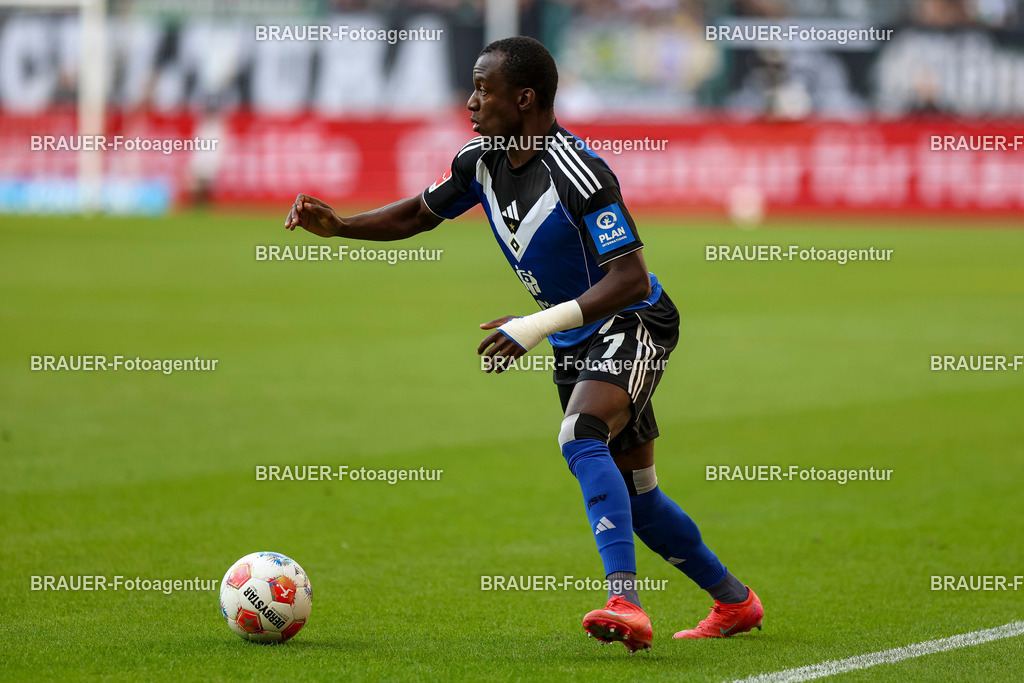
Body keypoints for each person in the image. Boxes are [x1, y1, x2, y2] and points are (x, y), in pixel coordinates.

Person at [284, 35, 763, 653]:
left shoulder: (579, 171)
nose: (471, 101)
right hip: (574, 334)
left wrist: (534, 325)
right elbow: (418, 216)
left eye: (484, 88)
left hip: (634, 320)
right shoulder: (479, 161)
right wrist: (343, 226)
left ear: (525, 97)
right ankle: (734, 602)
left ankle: (625, 601)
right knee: (638, 499)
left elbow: (631, 279)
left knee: (579, 433)